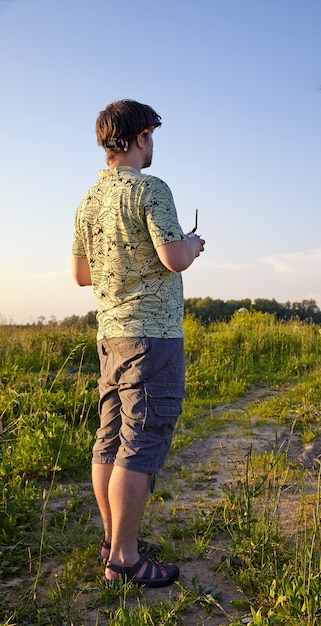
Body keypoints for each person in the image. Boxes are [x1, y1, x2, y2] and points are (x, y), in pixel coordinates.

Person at [72, 99, 205, 587]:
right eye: (152, 136)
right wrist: (193, 243)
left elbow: (81, 275)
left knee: (110, 439)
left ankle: (113, 541)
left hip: (110, 336)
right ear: (141, 136)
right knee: (141, 442)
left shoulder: (88, 199)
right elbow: (174, 258)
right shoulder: (152, 189)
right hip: (153, 336)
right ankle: (125, 559)